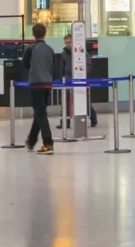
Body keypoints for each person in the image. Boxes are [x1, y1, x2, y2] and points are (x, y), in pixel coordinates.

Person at [23, 23, 55, 155]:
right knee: (39, 113)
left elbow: (25, 64)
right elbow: (53, 66)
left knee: (41, 114)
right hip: (48, 84)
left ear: (33, 34)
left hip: (36, 84)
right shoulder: (50, 49)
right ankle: (31, 141)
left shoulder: (30, 49)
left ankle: (48, 143)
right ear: (45, 33)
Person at [61, 34, 98, 129]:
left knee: (84, 100)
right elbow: (62, 65)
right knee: (66, 101)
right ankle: (65, 122)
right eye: (66, 43)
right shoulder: (64, 53)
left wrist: (82, 73)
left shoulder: (81, 51)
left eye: (69, 42)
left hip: (79, 78)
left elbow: (88, 64)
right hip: (68, 79)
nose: (68, 44)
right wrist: (63, 76)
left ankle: (93, 118)